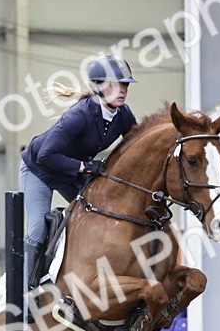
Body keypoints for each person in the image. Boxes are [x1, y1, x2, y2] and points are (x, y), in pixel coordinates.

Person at [20, 53, 138, 286]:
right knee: (37, 229)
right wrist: (84, 166)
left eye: (125, 85)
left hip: (69, 172)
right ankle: (24, 289)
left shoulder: (123, 114)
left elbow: (135, 143)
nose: (123, 90)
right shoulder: (80, 115)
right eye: (116, 85)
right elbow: (46, 155)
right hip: (39, 170)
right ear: (99, 88)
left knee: (101, 213)